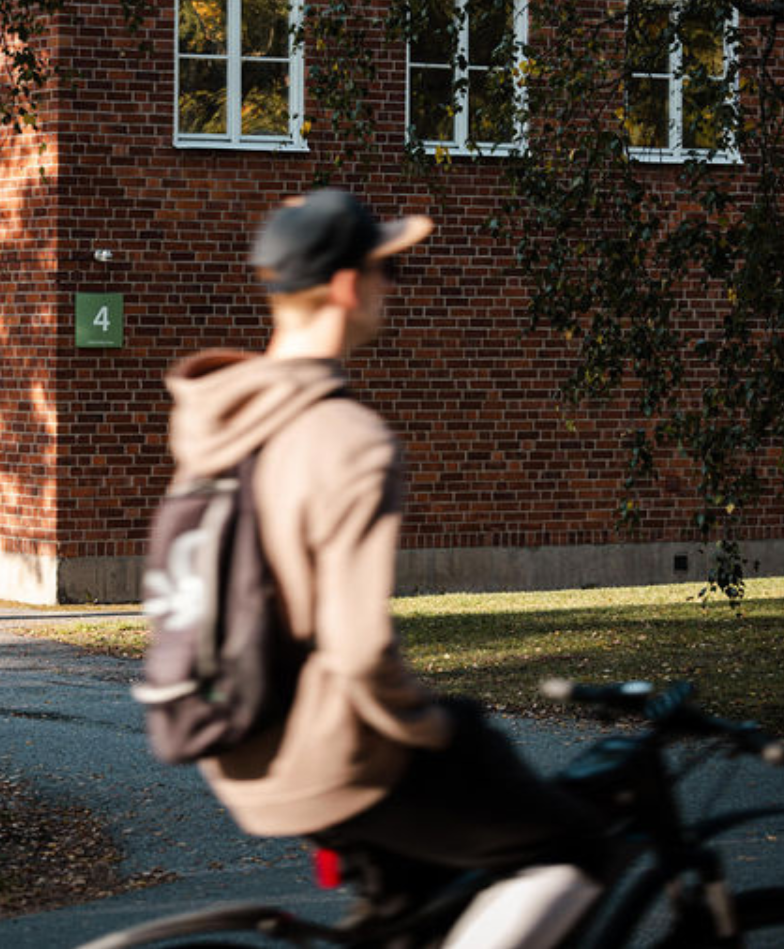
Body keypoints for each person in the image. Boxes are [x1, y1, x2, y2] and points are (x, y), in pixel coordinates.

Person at [162, 189, 612, 947]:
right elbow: (360, 649)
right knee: (574, 848)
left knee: (424, 911)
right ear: (346, 286)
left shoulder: (220, 426)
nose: (388, 292)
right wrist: (428, 724)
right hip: (332, 757)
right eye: (385, 272)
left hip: (237, 748)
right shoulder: (345, 437)